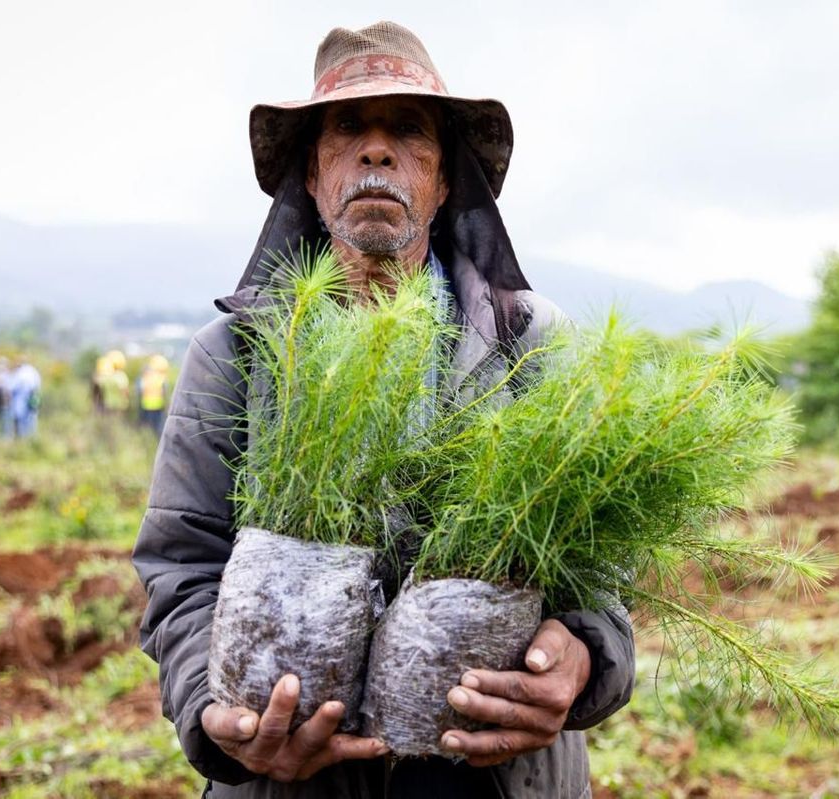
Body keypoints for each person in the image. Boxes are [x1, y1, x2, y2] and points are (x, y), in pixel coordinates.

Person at [132, 22, 634, 798]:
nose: (376, 150)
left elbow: (602, 565)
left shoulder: (530, 342)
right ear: (311, 172)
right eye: (347, 131)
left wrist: (583, 652)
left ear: (442, 181)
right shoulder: (236, 352)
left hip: (495, 777)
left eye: (408, 130)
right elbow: (182, 564)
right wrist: (214, 710)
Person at [136, 354, 169, 436]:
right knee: (158, 427)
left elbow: (140, 391)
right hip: (158, 406)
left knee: (147, 426)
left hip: (146, 405)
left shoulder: (145, 377)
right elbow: (164, 393)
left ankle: (147, 441)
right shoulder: (162, 378)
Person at [9, 356, 42, 438]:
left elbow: (12, 387)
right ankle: (32, 438)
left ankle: (22, 439)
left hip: (20, 401)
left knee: (21, 420)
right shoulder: (34, 371)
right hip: (33, 399)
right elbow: (38, 385)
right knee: (32, 419)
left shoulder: (20, 373)